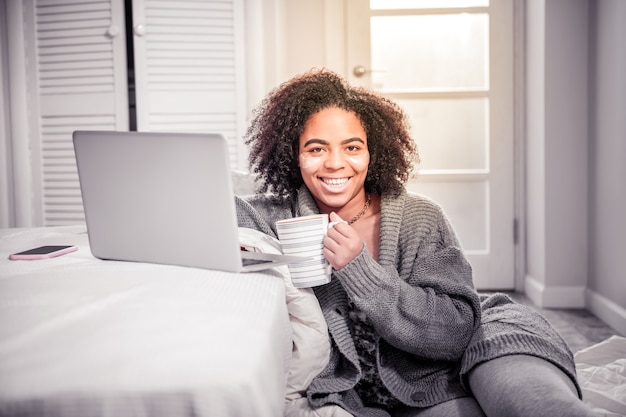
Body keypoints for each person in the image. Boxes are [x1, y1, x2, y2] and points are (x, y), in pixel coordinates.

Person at [235, 69, 596, 417]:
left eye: (352, 147)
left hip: (451, 359)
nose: (335, 163)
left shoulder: (419, 218)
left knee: (533, 403)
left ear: (372, 152)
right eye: (315, 149)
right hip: (353, 395)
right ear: (292, 154)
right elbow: (217, 209)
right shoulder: (272, 219)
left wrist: (359, 270)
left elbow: (455, 333)